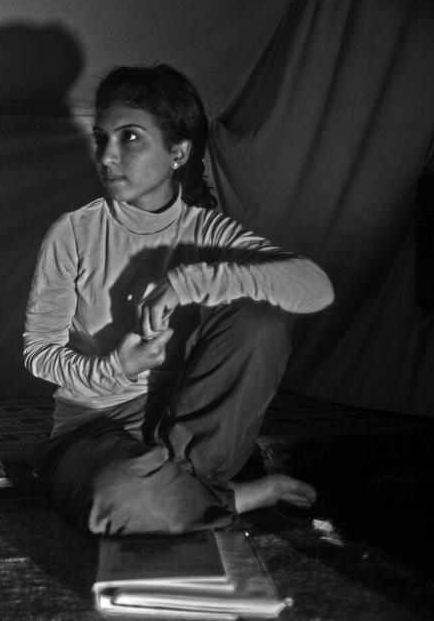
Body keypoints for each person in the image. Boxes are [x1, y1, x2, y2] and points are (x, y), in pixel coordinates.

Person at [23, 64, 334, 536]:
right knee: (120, 496)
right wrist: (115, 368)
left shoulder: (208, 232)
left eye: (130, 137)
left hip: (192, 430)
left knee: (261, 317)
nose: (107, 156)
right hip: (93, 427)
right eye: (101, 138)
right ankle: (234, 496)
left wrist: (189, 283)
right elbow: (37, 352)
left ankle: (185, 488)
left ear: (178, 152)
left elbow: (315, 287)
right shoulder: (74, 233)